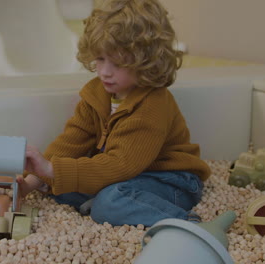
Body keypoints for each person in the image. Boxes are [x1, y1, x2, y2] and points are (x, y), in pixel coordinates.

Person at [17, 0, 211, 226]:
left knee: (109, 202)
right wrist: (32, 181)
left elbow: (121, 164)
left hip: (171, 180)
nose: (105, 72)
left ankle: (189, 223)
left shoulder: (152, 104)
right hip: (128, 178)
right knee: (60, 187)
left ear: (146, 62)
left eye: (118, 63)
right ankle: (109, 203)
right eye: (100, 58)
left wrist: (51, 169)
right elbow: (71, 142)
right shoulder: (96, 93)